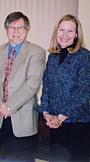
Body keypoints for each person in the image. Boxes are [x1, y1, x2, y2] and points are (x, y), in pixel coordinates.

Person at [34, 14, 90, 161]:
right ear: (56, 32)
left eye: (70, 31)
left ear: (77, 34)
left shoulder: (84, 56)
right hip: (55, 125)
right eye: (61, 30)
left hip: (76, 124)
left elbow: (84, 93)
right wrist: (46, 113)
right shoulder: (52, 56)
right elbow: (46, 87)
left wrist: (60, 117)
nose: (65, 35)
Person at [0, 11, 45, 161]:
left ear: (26, 30)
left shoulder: (36, 52)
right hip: (0, 118)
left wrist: (8, 107)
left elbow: (32, 84)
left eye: (20, 28)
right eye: (12, 27)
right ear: (6, 30)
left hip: (23, 120)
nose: (16, 32)